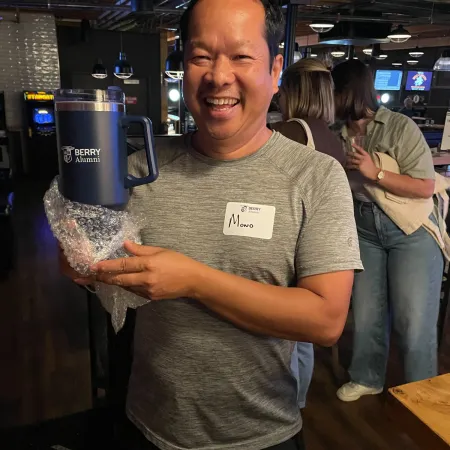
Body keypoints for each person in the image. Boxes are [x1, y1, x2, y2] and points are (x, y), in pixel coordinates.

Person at [61, 1, 362, 448]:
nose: (219, 76)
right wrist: (86, 265)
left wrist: (195, 281)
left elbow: (325, 320)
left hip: (262, 434)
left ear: (275, 70)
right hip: (148, 424)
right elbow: (114, 277)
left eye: (241, 56)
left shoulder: (315, 176)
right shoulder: (143, 167)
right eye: (201, 56)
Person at [332, 60, 443, 403]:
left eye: (333, 92)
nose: (328, 100)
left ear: (348, 92)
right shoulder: (336, 133)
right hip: (363, 227)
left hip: (410, 231)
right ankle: (367, 377)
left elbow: (425, 186)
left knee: (414, 322)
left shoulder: (399, 126)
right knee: (366, 313)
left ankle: (422, 393)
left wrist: (374, 172)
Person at [271, 58, 345, 166]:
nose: (279, 101)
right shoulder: (336, 144)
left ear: (294, 96)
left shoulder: (282, 133)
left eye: (281, 94)